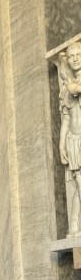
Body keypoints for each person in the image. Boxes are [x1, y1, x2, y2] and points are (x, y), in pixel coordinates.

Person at [60, 40, 81, 236]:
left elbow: (76, 90)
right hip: (73, 140)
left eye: (78, 55)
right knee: (78, 183)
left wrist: (74, 87)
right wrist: (61, 145)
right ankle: (74, 227)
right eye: (71, 56)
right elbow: (66, 118)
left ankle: (75, 226)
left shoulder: (74, 85)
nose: (75, 59)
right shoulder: (67, 87)